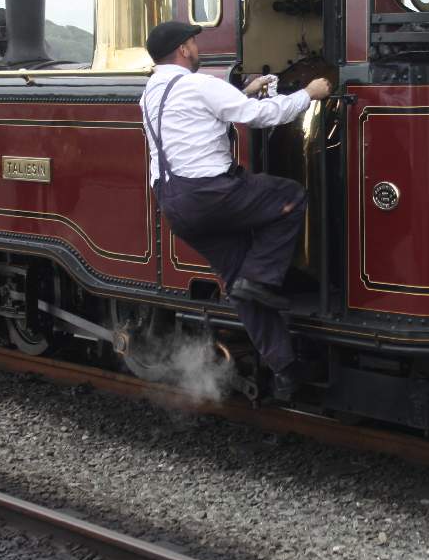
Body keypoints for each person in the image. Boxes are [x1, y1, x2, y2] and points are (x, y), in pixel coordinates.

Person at [139, 20, 331, 400]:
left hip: (174, 204)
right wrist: (309, 94)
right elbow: (258, 117)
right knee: (290, 197)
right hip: (212, 193)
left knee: (242, 287)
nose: (197, 47)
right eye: (193, 42)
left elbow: (203, 115)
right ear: (183, 49)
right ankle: (261, 278)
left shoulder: (151, 93)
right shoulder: (198, 83)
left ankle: (285, 370)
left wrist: (244, 92)